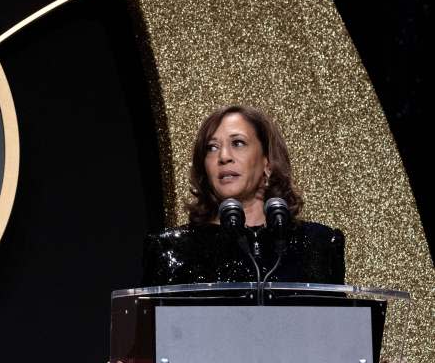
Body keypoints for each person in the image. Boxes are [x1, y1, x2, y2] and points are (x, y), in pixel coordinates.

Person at [140, 104, 345, 286]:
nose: (224, 157)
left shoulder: (318, 244)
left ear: (268, 162)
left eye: (238, 143)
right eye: (212, 148)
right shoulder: (172, 249)